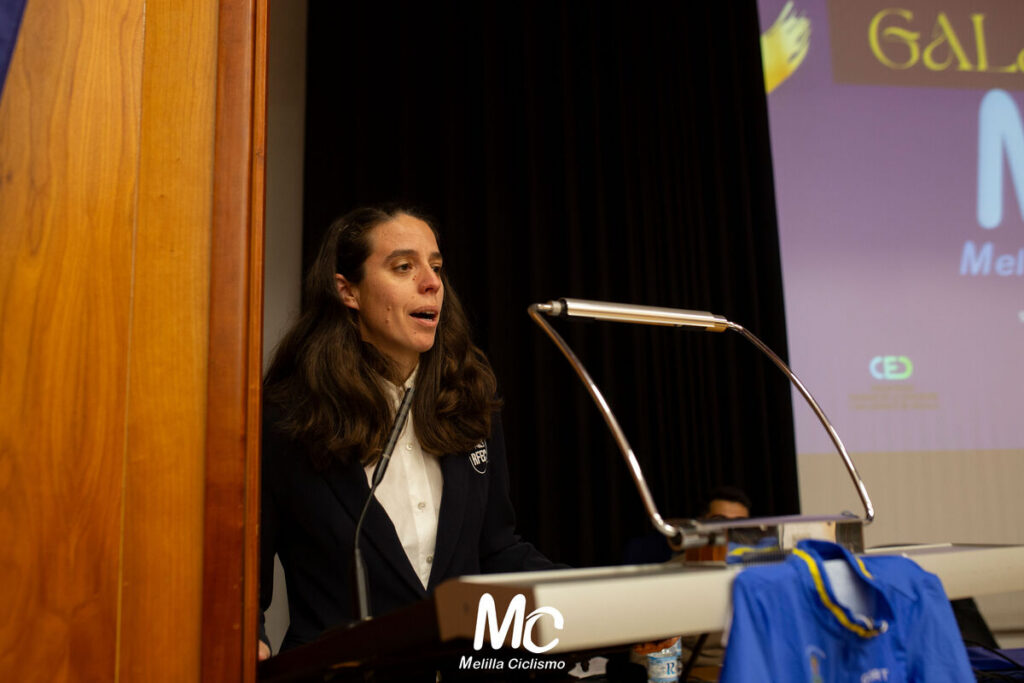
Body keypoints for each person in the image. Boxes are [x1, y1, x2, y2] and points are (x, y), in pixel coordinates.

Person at [258, 205, 555, 658]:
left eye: (436, 267)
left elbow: (496, 552)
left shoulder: (469, 400)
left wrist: (605, 604)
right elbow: (241, 582)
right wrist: (246, 644)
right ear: (348, 291)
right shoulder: (288, 418)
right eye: (403, 267)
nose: (432, 282)